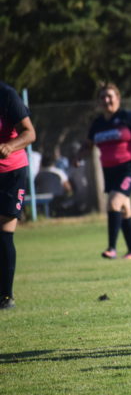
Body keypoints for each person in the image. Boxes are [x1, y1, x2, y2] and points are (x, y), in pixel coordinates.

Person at [83, 82, 131, 259]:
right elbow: (88, 146)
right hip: (109, 172)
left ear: (118, 98)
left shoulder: (127, 117)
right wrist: (79, 156)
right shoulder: (98, 123)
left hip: (128, 170)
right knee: (125, 209)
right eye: (103, 97)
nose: (106, 100)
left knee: (113, 203)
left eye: (110, 96)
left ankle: (111, 248)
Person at [0, 81, 36, 309]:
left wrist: (10, 146)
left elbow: (30, 133)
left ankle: (5, 295)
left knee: (4, 232)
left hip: (11, 173)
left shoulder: (6, 95)